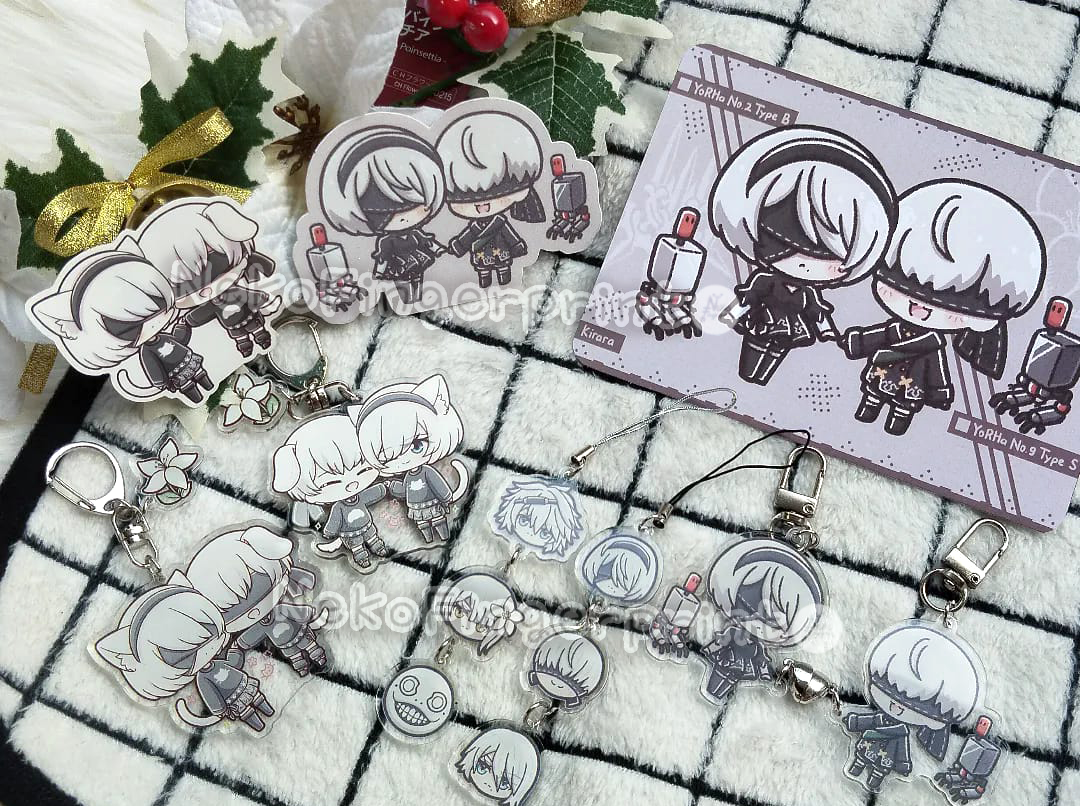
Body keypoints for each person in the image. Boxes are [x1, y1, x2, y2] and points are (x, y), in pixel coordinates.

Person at [843, 180, 1047, 435]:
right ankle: (868, 410)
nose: (918, 307)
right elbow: (878, 336)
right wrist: (857, 341)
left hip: (911, 384)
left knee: (903, 410)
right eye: (901, 287)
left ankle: (897, 424)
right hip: (883, 374)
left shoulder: (933, 344)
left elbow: (937, 370)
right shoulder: (896, 330)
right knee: (872, 397)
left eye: (947, 305)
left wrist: (939, 392)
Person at [710, 125, 896, 385]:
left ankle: (759, 379)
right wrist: (729, 317)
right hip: (762, 322)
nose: (807, 263)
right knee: (753, 353)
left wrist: (827, 332)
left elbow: (816, 313)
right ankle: (748, 375)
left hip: (790, 331)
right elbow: (748, 297)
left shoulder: (808, 294)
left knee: (774, 355)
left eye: (830, 256)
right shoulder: (765, 281)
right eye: (785, 243)